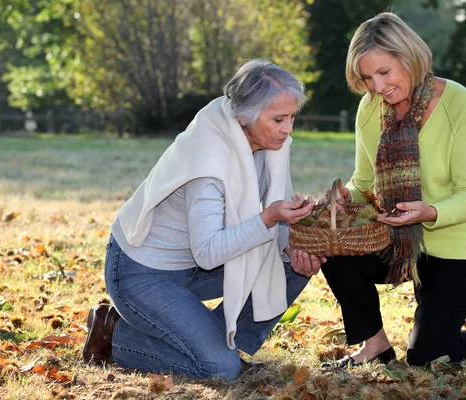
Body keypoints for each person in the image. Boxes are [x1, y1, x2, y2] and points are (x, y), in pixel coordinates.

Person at [82, 59, 327, 380]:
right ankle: (114, 333)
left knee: (292, 261)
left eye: (293, 116)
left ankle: (222, 346)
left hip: (193, 266)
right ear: (244, 118)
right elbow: (209, 252)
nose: (289, 129)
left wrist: (303, 235)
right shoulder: (208, 157)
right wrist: (269, 217)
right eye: (279, 119)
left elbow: (276, 232)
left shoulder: (272, 145)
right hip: (142, 273)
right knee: (220, 370)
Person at [319, 12, 466, 368]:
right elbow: (364, 182)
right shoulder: (369, 109)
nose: (377, 86)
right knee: (335, 253)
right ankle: (375, 345)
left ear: (409, 57)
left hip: (454, 245)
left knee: (429, 356)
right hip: (396, 240)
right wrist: (345, 197)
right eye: (367, 77)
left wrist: (429, 211)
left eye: (384, 73)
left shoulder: (457, 103)